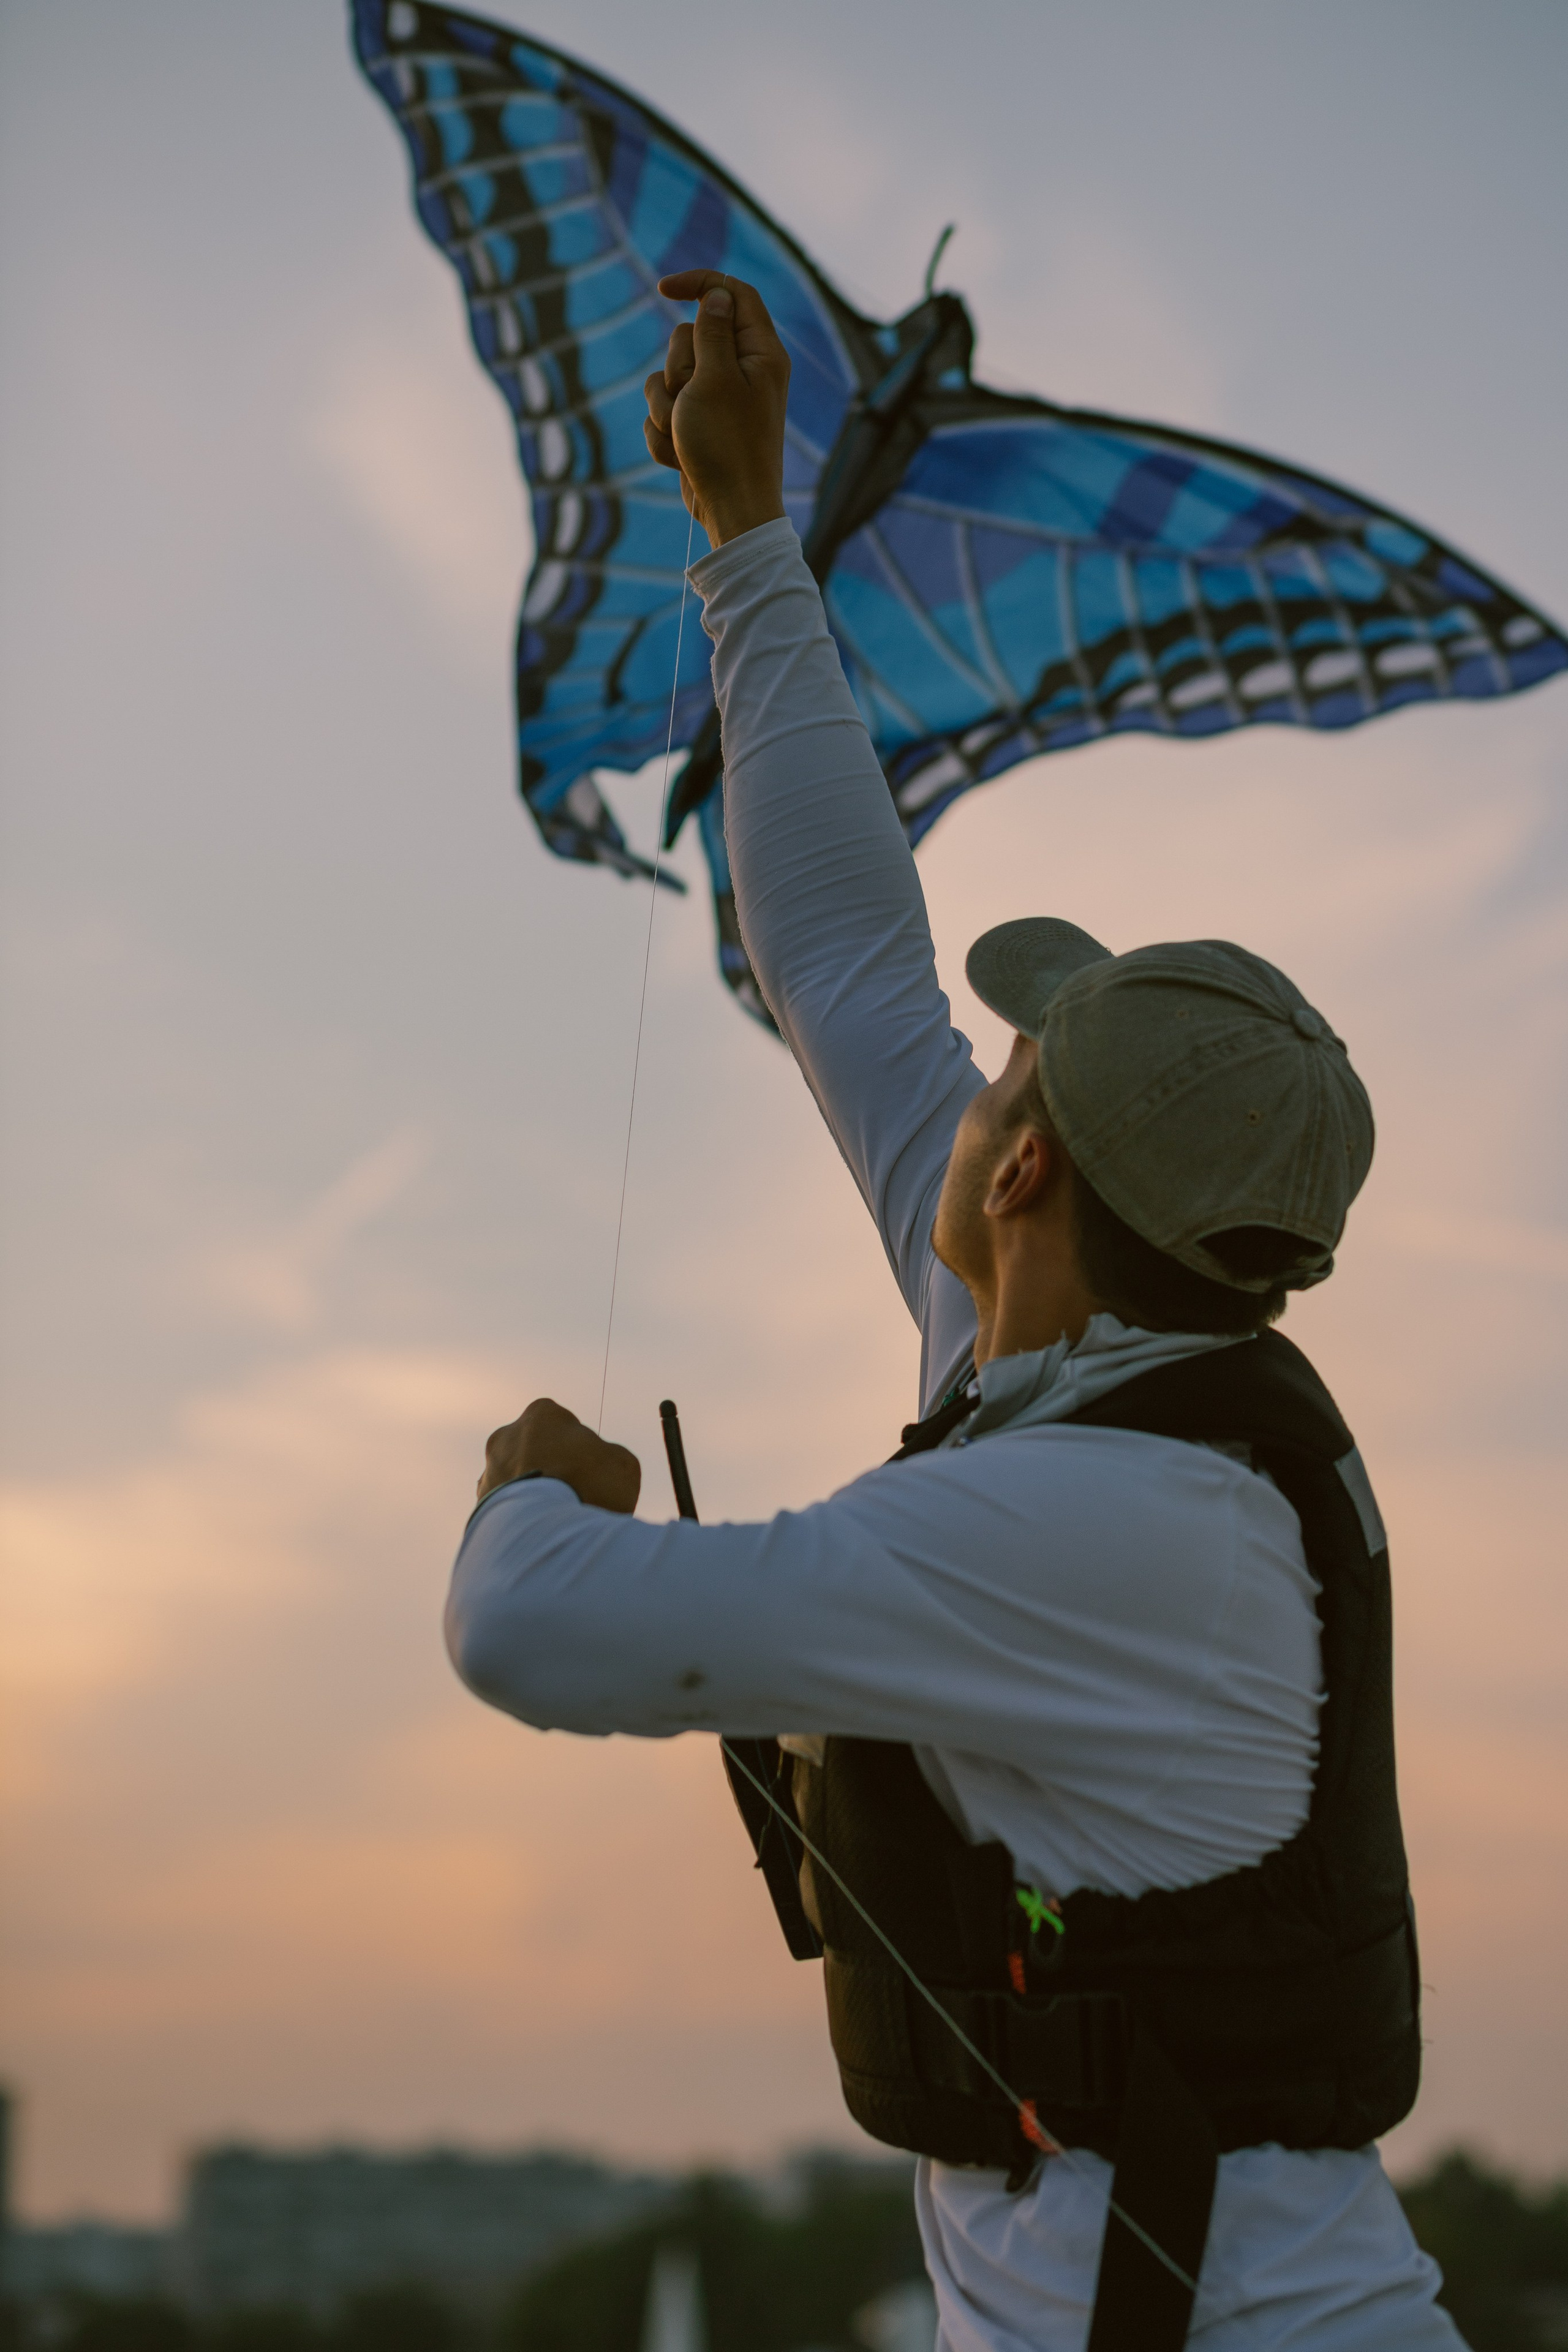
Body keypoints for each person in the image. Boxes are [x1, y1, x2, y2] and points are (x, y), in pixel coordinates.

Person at [447, 273, 1465, 2351]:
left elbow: (528, 1626)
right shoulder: (1068, 1361)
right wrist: (740, 534)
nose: (967, 1069)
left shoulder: (1105, 1528)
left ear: (1023, 1175)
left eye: (1008, 1072)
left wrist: (529, 1497)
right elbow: (841, 954)